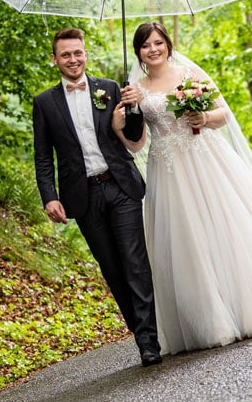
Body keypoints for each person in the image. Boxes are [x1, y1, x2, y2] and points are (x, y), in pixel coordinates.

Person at [113, 21, 252, 356]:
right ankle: (211, 321)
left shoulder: (188, 73)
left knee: (228, 228)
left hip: (206, 160)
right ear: (138, 51)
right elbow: (137, 143)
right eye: (146, 45)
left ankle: (251, 307)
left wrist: (203, 119)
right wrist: (120, 126)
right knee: (187, 242)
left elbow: (223, 114)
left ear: (168, 45)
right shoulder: (136, 89)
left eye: (158, 42)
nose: (153, 49)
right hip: (167, 170)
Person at [32, 27, 162, 367]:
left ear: (85, 54)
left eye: (78, 53)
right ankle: (138, 329)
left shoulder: (110, 88)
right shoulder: (44, 103)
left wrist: (132, 110)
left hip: (120, 185)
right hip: (83, 196)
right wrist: (49, 196)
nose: (73, 59)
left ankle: (149, 342)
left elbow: (133, 138)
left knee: (135, 262)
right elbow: (43, 156)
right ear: (55, 59)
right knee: (112, 268)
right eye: (65, 55)